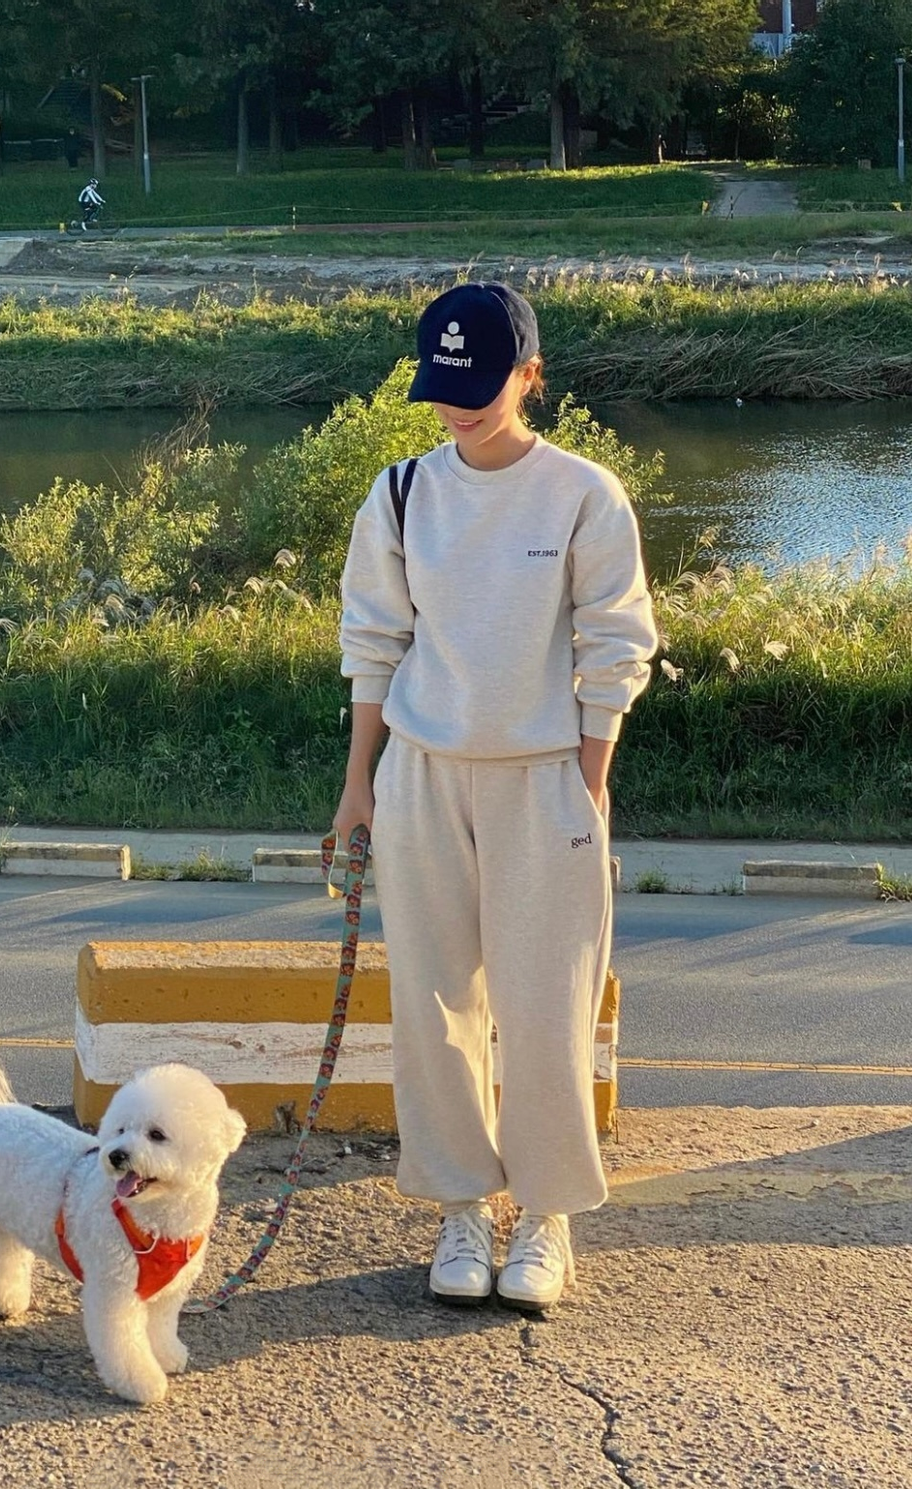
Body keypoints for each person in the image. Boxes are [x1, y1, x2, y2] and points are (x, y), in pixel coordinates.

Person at [335, 282, 657, 1311]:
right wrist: (357, 786)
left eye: (480, 385)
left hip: (544, 777)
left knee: (547, 1006)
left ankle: (548, 1215)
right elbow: (374, 643)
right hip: (420, 775)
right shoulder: (400, 493)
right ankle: (463, 1205)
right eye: (443, 385)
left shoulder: (583, 494)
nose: (458, 406)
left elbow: (616, 645)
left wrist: (588, 783)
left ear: (529, 374)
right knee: (433, 1008)